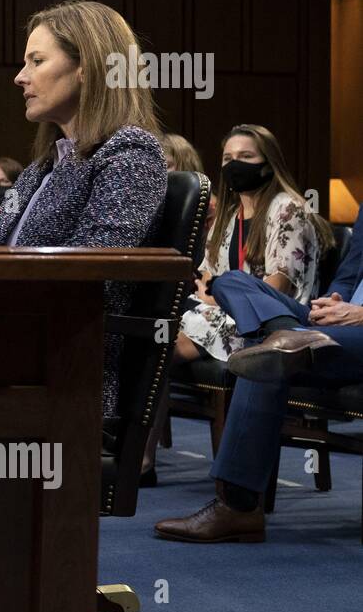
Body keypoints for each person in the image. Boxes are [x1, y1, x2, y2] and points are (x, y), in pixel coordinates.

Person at [0, 0, 167, 417]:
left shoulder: (131, 154)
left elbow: (91, 274)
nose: (20, 77)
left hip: (65, 366)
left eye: (36, 61)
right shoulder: (44, 166)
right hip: (10, 346)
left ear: (86, 67)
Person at [155, 203, 363, 542]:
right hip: (333, 325)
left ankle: (237, 507)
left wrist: (359, 314)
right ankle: (284, 331)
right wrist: (330, 303)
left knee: (266, 353)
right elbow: (351, 271)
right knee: (231, 282)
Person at [174, 125, 331, 364]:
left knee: (165, 350)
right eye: (228, 158)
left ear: (269, 163)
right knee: (156, 331)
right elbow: (206, 277)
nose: (235, 164)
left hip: (269, 316)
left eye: (246, 157)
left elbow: (278, 287)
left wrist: (221, 296)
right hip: (221, 310)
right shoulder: (228, 215)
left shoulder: (288, 208)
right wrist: (216, 296)